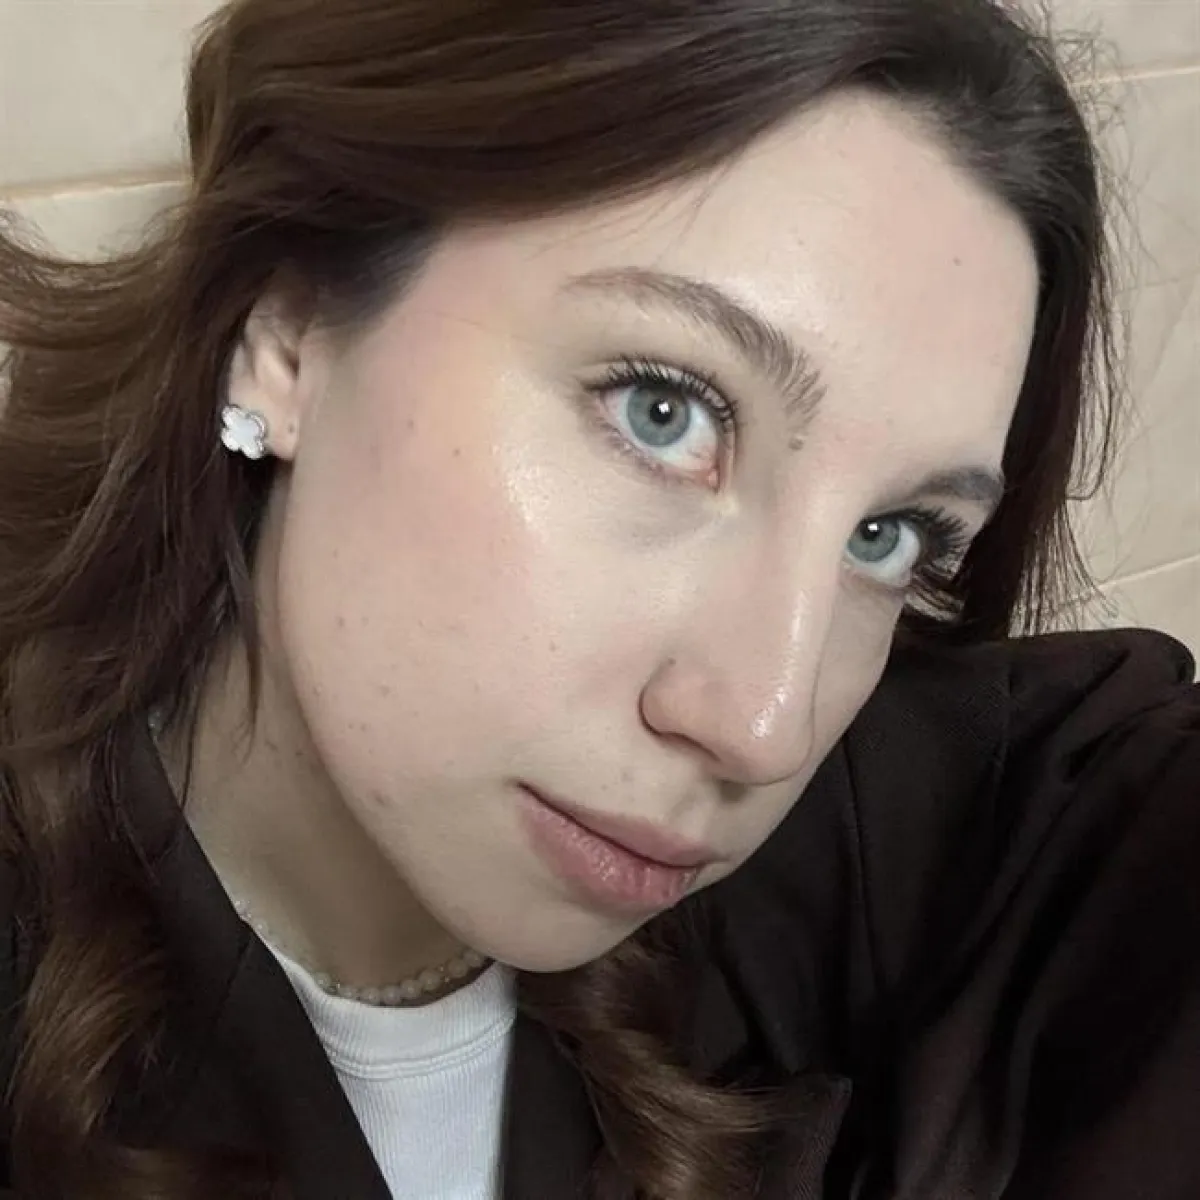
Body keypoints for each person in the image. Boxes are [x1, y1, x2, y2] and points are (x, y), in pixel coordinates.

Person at [0, 0, 1197, 1197]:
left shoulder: (874, 851)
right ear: (290, 323)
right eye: (663, 411)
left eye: (890, 538)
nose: (764, 725)